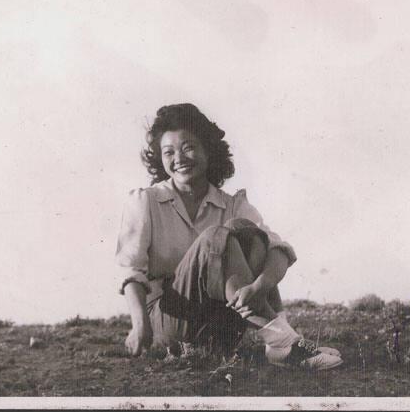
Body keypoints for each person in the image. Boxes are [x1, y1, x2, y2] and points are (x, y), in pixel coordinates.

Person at [115, 103, 343, 370]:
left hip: (221, 332)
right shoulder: (146, 202)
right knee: (215, 237)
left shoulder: (232, 204)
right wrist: (139, 324)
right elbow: (130, 270)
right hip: (166, 327)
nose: (179, 158)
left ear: (208, 149)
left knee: (245, 230)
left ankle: (279, 343)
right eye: (168, 152)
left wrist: (259, 288)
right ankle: (284, 342)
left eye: (188, 147)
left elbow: (278, 250)